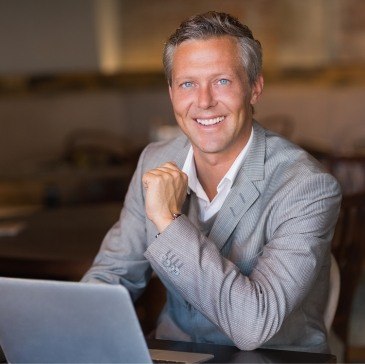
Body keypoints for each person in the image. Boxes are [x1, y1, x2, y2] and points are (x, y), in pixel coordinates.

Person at [82, 11, 341, 353]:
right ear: (172, 92)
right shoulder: (154, 161)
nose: (203, 101)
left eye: (222, 81)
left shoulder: (306, 186)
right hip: (173, 354)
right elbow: (113, 277)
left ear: (254, 88)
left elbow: (254, 326)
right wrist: (65, 326)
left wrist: (168, 222)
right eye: (188, 83)